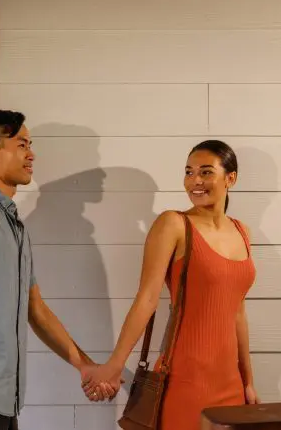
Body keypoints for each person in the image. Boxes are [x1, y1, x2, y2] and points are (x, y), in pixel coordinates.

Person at [0, 109, 120, 430]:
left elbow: (36, 309)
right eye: (21, 145)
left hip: (1, 398)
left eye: (30, 145)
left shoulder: (12, 224)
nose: (31, 154)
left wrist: (84, 366)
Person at [81, 140, 260, 430]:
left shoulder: (243, 232)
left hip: (231, 384)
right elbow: (147, 299)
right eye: (189, 172)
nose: (195, 181)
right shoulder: (173, 224)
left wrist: (248, 381)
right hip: (185, 379)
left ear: (231, 178)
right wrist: (115, 365)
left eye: (205, 172)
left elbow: (238, 312)